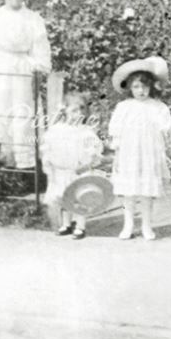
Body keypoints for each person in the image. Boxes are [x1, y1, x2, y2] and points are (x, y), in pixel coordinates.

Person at [0, 0, 51, 168]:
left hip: (23, 66)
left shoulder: (33, 18)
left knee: (23, 111)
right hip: (0, 65)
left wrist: (39, 68)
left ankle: (24, 163)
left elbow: (40, 46)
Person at [109, 55, 171, 241]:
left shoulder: (157, 106)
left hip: (149, 152)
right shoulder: (124, 107)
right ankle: (128, 224)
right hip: (129, 152)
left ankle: (146, 225)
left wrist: (164, 139)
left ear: (151, 86)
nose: (141, 91)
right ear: (130, 88)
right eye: (136, 87)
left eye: (144, 86)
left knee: (146, 190)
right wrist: (117, 150)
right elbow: (116, 130)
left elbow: (165, 127)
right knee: (129, 190)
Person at [41, 91, 103, 239]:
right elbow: (48, 147)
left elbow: (94, 150)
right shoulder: (57, 130)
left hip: (78, 171)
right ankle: (66, 224)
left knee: (79, 198)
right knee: (63, 197)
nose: (79, 113)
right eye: (74, 110)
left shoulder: (86, 132)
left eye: (82, 109)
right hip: (62, 170)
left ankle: (80, 226)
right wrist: (49, 162)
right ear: (65, 111)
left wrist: (88, 163)